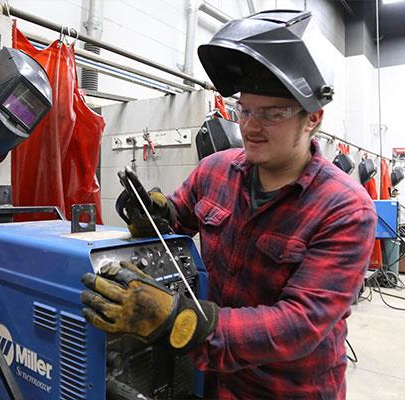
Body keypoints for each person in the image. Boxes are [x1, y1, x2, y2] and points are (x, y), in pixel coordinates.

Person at [81, 10, 377, 399]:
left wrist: (177, 320)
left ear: (312, 119)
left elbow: (301, 324)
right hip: (215, 379)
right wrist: (153, 214)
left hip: (289, 389)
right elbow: (176, 220)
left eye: (272, 114)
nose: (251, 126)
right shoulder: (214, 171)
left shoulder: (345, 209)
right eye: (245, 110)